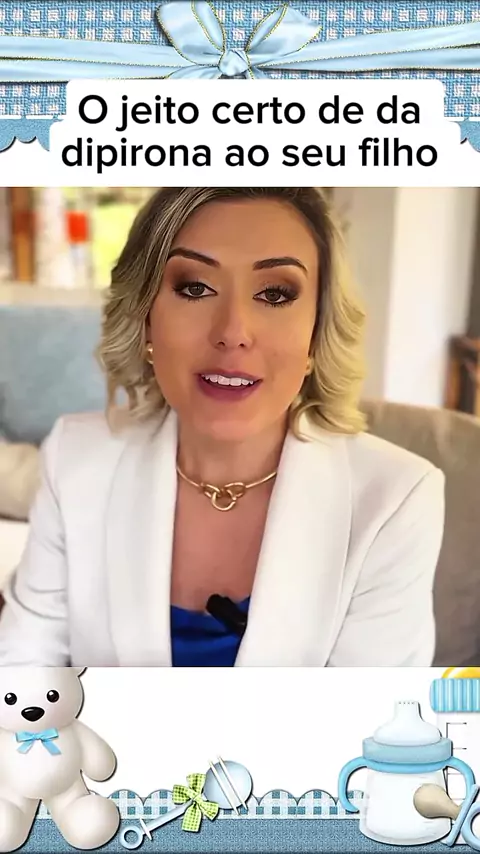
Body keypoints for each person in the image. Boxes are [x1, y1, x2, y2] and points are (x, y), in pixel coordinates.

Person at [0, 187, 445, 667]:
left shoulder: (397, 498)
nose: (233, 333)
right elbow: (23, 674)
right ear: (146, 321)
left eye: (274, 294)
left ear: (317, 333)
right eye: (195, 288)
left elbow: (366, 713)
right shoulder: (74, 457)